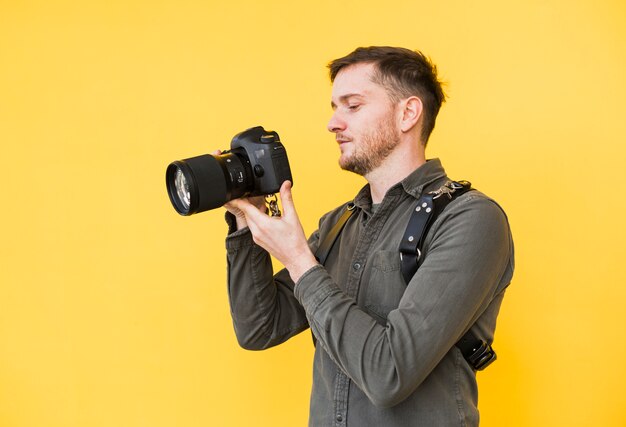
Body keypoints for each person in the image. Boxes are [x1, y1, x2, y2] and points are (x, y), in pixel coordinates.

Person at [223, 46, 514, 426]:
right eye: (333, 107)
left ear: (408, 113)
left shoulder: (470, 219)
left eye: (353, 106)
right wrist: (249, 219)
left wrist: (298, 261)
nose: (333, 123)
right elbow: (260, 328)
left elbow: (389, 374)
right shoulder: (339, 225)